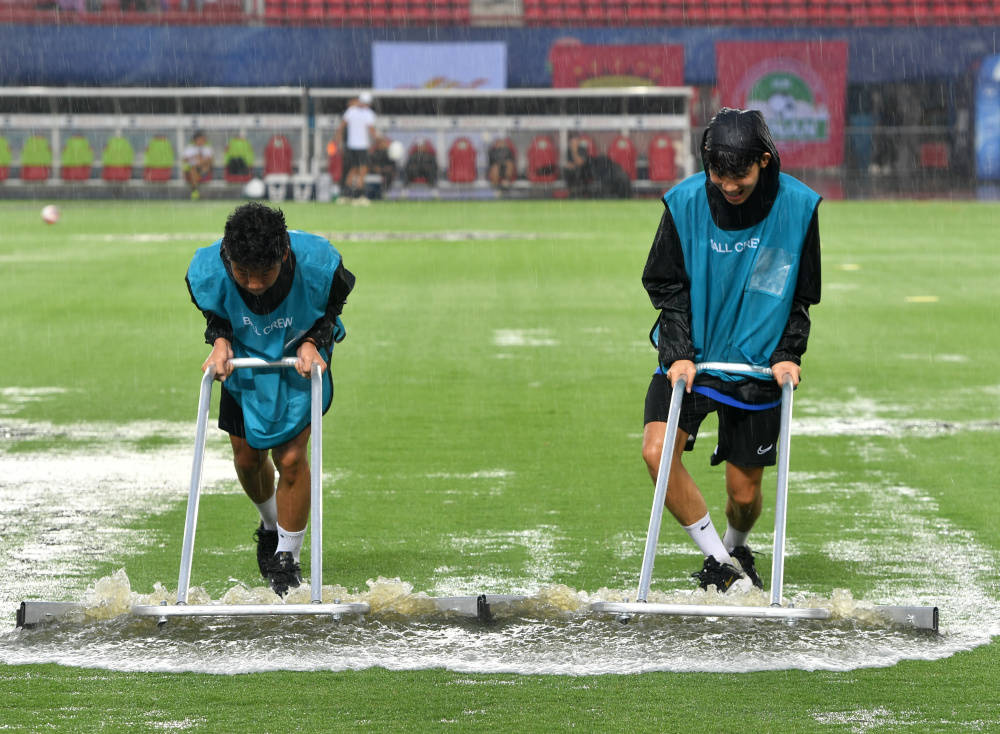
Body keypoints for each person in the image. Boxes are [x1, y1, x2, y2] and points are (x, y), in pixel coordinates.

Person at [640, 108, 822, 593]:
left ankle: (736, 544)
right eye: (718, 175)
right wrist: (677, 350)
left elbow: (801, 292)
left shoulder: (799, 207)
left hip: (758, 360)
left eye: (739, 175)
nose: (729, 186)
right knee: (657, 453)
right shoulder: (683, 204)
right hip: (693, 357)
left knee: (744, 495)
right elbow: (665, 282)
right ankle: (721, 566)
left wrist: (789, 352)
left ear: (765, 161)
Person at [185, 202, 356, 596]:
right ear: (228, 260)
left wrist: (316, 341)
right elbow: (216, 314)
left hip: (298, 355)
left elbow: (330, 308)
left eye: (264, 274)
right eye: (243, 274)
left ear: (283, 255)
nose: (254, 284)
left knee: (292, 459)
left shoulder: (320, 266)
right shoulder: (209, 270)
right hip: (244, 359)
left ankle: (286, 560)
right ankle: (269, 524)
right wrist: (221, 342)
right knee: (247, 459)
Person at [336, 92, 377, 206]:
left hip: (351, 146)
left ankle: (345, 195)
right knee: (362, 171)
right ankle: (359, 196)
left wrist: (339, 142)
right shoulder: (368, 114)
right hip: (362, 146)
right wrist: (377, 142)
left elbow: (341, 128)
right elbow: (372, 131)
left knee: (352, 170)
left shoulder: (351, 111)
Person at [182, 130, 214, 200]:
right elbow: (184, 159)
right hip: (191, 169)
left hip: (204, 169)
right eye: (199, 139)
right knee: (193, 170)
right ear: (195, 140)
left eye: (203, 139)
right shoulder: (189, 148)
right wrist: (194, 157)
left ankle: (194, 190)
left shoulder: (207, 149)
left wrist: (200, 160)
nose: (201, 141)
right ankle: (195, 191)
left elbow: (210, 161)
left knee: (199, 167)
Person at [564, 131, 592, 196]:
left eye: (575, 141)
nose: (574, 143)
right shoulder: (569, 150)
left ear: (578, 141)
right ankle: (571, 191)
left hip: (584, 171)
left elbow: (580, 163)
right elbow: (569, 163)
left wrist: (574, 151)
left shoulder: (583, 149)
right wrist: (569, 166)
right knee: (566, 170)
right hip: (574, 170)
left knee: (578, 171)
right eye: (572, 141)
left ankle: (581, 192)